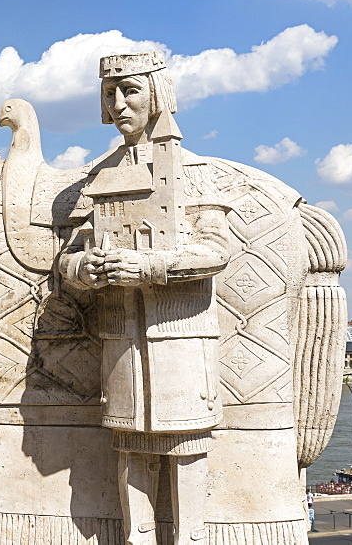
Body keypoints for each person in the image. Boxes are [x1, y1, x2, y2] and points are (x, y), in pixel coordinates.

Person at [58, 52, 229, 544]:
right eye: (110, 93)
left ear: (156, 92)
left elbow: (216, 251)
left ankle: (192, 538)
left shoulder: (194, 170)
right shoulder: (99, 177)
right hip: (122, 342)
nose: (118, 103)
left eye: (129, 90)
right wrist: (82, 268)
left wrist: (151, 266)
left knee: (186, 445)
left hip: (180, 337)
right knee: (131, 446)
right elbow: (69, 259)